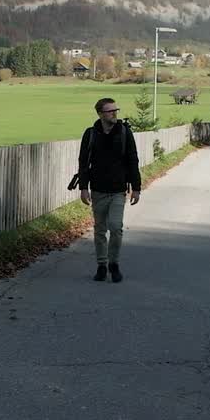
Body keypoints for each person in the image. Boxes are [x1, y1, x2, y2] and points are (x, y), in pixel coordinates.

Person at [78, 97, 141, 282]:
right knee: (99, 230)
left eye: (116, 110)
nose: (115, 113)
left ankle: (114, 264)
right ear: (100, 114)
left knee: (115, 227)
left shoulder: (124, 132)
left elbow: (132, 160)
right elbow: (83, 163)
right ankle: (101, 265)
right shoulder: (90, 134)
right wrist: (83, 188)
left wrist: (136, 188)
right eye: (110, 111)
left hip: (118, 190)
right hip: (97, 190)